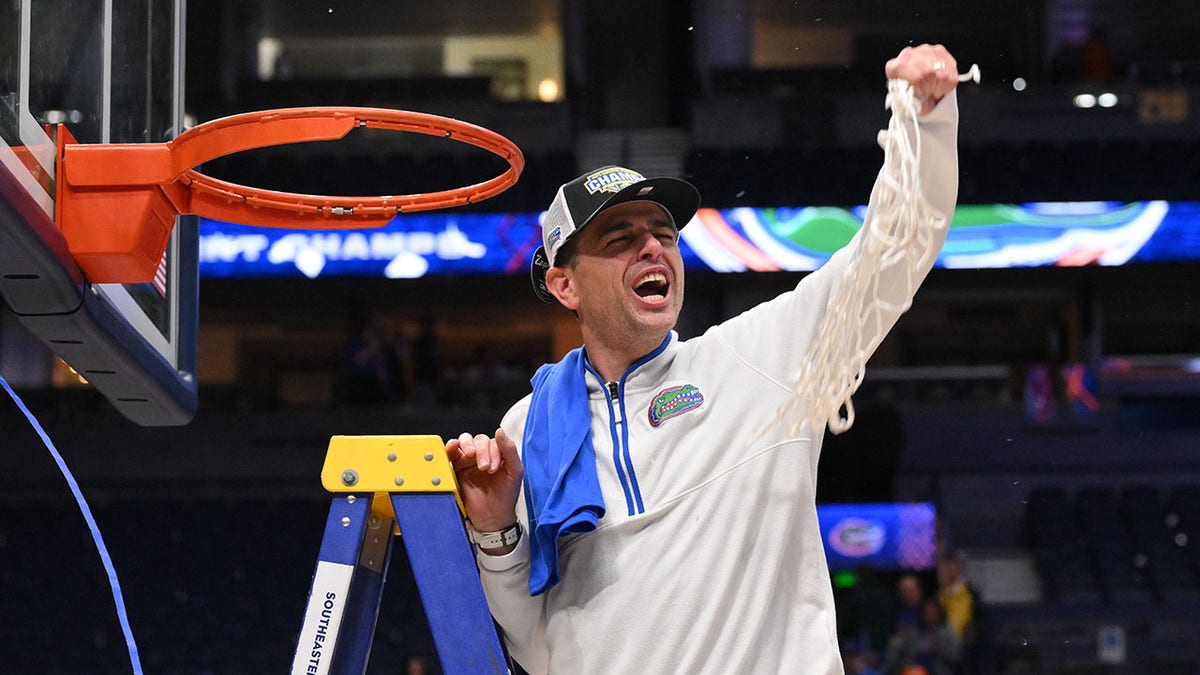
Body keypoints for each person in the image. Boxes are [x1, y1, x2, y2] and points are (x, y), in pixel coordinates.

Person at [445, 44, 962, 674]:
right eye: (621, 239)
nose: (653, 249)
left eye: (664, 235)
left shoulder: (758, 359)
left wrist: (926, 119)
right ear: (565, 285)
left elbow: (895, 252)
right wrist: (495, 529)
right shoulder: (527, 430)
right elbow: (536, 648)